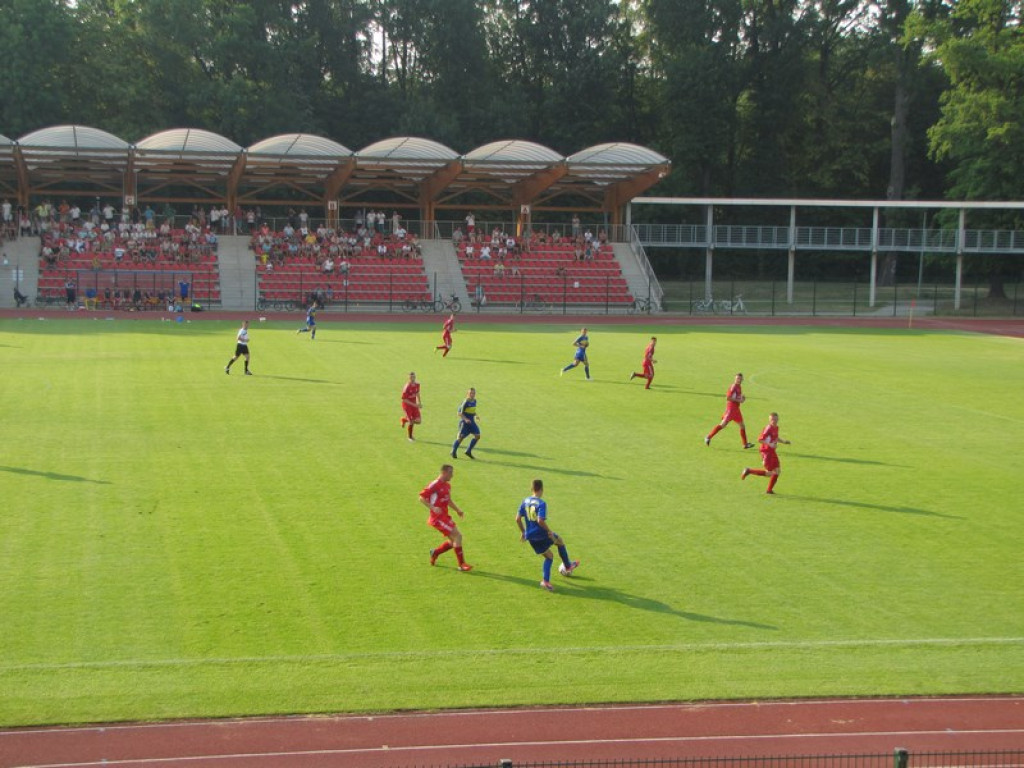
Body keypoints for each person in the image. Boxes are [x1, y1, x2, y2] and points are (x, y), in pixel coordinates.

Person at [516, 478, 579, 592]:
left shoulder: (525, 501)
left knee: (549, 556)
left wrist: (523, 532)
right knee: (560, 541)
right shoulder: (541, 503)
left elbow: (517, 519)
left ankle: (546, 581)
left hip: (530, 537)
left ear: (532, 489)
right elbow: (540, 520)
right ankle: (568, 566)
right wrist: (549, 531)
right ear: (541, 489)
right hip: (541, 534)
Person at [419, 464, 473, 571]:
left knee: (454, 541)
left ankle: (435, 552)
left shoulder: (447, 485)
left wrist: (458, 510)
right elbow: (421, 498)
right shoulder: (434, 484)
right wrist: (433, 508)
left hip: (445, 516)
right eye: (450, 472)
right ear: (443, 472)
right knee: (458, 536)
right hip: (437, 518)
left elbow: (448, 500)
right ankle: (461, 564)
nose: (452, 475)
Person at [742, 412, 791, 494]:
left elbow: (775, 437)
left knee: (777, 471)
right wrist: (770, 444)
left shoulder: (776, 427)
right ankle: (749, 471)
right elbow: (760, 439)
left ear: (778, 419)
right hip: (766, 452)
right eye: (772, 419)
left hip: (772, 452)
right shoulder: (768, 428)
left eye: (775, 419)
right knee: (771, 473)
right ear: (769, 420)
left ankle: (769, 490)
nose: (774, 421)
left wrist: (784, 441)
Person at [705, 372, 754, 449]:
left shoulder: (739, 386)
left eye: (740, 379)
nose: (739, 380)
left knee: (742, 426)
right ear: (735, 379)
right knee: (723, 425)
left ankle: (745, 444)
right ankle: (708, 437)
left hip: (736, 409)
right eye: (738, 378)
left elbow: (736, 398)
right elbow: (728, 397)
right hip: (731, 409)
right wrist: (739, 400)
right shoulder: (733, 386)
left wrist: (742, 399)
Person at [451, 387, 480, 459]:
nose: (472, 394)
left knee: (477, 436)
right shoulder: (465, 402)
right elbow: (459, 413)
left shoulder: (474, 401)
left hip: (472, 422)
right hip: (465, 423)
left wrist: (476, 415)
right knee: (460, 438)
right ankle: (453, 451)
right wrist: (466, 419)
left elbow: (472, 411)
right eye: (471, 393)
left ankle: (468, 451)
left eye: (473, 393)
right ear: (467, 394)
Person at [399, 371, 422, 441]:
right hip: (407, 405)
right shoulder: (407, 387)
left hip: (414, 405)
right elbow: (404, 399)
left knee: (418, 421)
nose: (412, 378)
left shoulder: (417, 384)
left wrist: (419, 403)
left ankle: (404, 420)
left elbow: (417, 393)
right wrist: (415, 405)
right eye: (411, 377)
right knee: (411, 422)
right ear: (409, 378)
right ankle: (410, 437)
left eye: (413, 377)